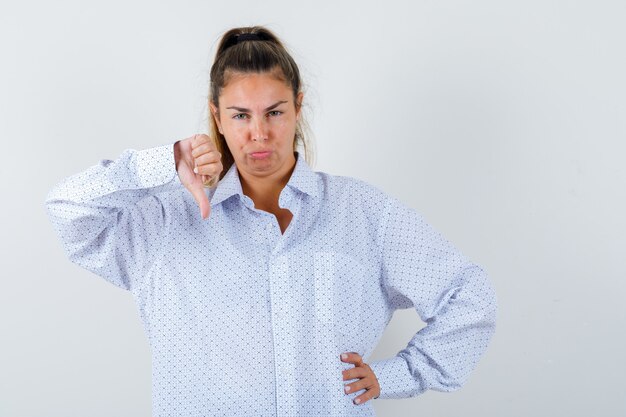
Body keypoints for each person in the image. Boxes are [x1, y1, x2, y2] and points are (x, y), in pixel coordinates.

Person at [45, 26, 497, 417]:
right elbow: (68, 211)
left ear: (298, 107)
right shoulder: (164, 220)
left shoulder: (363, 213)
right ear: (217, 116)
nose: (258, 133)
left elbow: (469, 297)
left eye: (274, 112)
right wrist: (163, 163)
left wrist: (394, 376)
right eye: (240, 115)